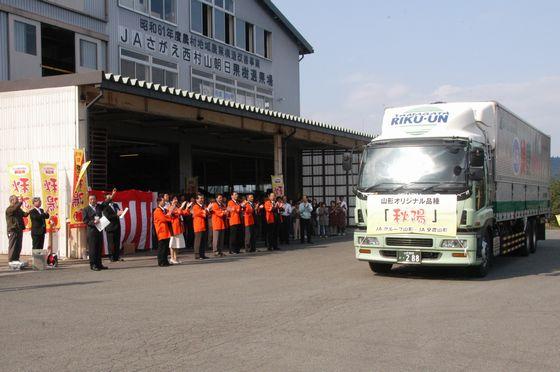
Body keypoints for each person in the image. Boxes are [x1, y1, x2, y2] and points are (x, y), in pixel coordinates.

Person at [82, 195, 107, 271]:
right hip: (91, 231)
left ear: (96, 200)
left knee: (99, 248)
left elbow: (105, 204)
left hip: (99, 230)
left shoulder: (98, 207)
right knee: (93, 249)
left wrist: (111, 196)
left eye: (94, 199)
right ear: (89, 200)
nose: (92, 200)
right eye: (91, 199)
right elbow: (85, 221)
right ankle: (93, 265)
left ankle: (99, 264)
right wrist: (93, 222)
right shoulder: (86, 209)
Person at [5, 195, 29, 267]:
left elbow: (24, 214)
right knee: (13, 245)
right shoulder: (9, 209)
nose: (18, 200)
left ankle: (16, 259)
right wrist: (21, 202)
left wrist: (29, 211)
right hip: (13, 230)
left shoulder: (18, 209)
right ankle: (11, 260)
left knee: (18, 245)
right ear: (12, 201)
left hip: (19, 229)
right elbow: (14, 209)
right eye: (16, 199)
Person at [101, 189, 123, 262]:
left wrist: (121, 212)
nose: (110, 198)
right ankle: (111, 257)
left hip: (117, 225)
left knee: (117, 242)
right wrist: (116, 215)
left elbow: (119, 213)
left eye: (111, 197)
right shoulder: (105, 206)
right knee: (111, 243)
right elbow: (107, 216)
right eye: (108, 197)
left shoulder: (115, 204)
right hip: (110, 227)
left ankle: (117, 256)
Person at [168, 196, 191, 264]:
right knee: (172, 244)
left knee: (177, 244)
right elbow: (178, 212)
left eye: (176, 199)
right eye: (174, 199)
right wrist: (181, 207)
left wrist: (187, 207)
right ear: (171, 201)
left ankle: (175, 258)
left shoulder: (177, 207)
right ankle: (172, 258)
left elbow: (184, 213)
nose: (176, 200)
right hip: (173, 228)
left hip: (179, 227)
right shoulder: (170, 207)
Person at [153, 196, 173, 267]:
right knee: (161, 247)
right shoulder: (157, 210)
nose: (164, 202)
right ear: (159, 202)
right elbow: (163, 219)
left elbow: (167, 217)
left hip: (165, 230)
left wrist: (169, 214)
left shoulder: (163, 210)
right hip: (161, 230)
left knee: (165, 247)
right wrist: (169, 215)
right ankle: (161, 261)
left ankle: (165, 261)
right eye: (163, 201)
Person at [192, 193, 209, 260]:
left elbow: (206, 213)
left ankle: (202, 254)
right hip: (198, 225)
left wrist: (207, 210)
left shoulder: (203, 206)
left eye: (202, 198)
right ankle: (197, 254)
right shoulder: (195, 206)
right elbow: (200, 213)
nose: (202, 199)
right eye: (200, 198)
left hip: (204, 225)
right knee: (198, 241)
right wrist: (206, 210)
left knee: (203, 241)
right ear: (196, 200)